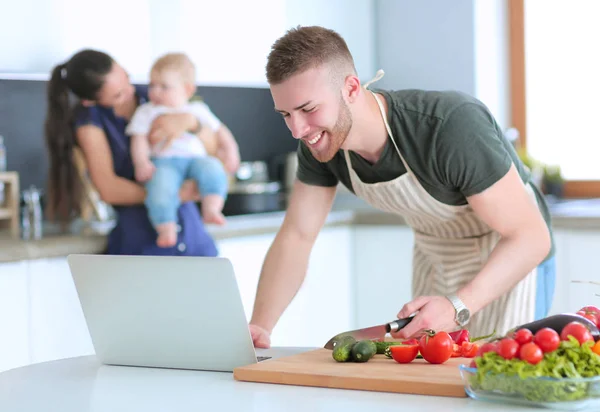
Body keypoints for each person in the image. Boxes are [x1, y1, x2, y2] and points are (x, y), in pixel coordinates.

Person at [248, 26, 555, 348]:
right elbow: (297, 235)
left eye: (309, 109)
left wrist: (458, 305)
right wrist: (260, 326)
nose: (297, 130)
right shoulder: (320, 144)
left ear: (351, 88)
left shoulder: (448, 127)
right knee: (431, 387)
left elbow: (531, 237)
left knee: (498, 383)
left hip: (510, 260)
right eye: (286, 114)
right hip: (436, 257)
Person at [45, 49, 240, 256]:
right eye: (118, 94)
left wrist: (191, 123)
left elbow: (210, 150)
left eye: (127, 79)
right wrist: (168, 193)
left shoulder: (157, 94)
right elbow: (109, 189)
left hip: (194, 237)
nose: (130, 91)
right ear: (90, 101)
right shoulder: (89, 122)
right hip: (142, 242)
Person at [126, 53, 229, 248]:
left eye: (164, 86)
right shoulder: (147, 111)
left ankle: (212, 207)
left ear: (187, 89)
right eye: (152, 85)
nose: (155, 91)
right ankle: (165, 226)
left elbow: (221, 131)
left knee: (213, 168)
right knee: (160, 186)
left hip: (195, 160)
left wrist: (231, 151)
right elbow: (138, 138)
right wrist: (142, 162)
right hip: (164, 161)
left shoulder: (198, 109)